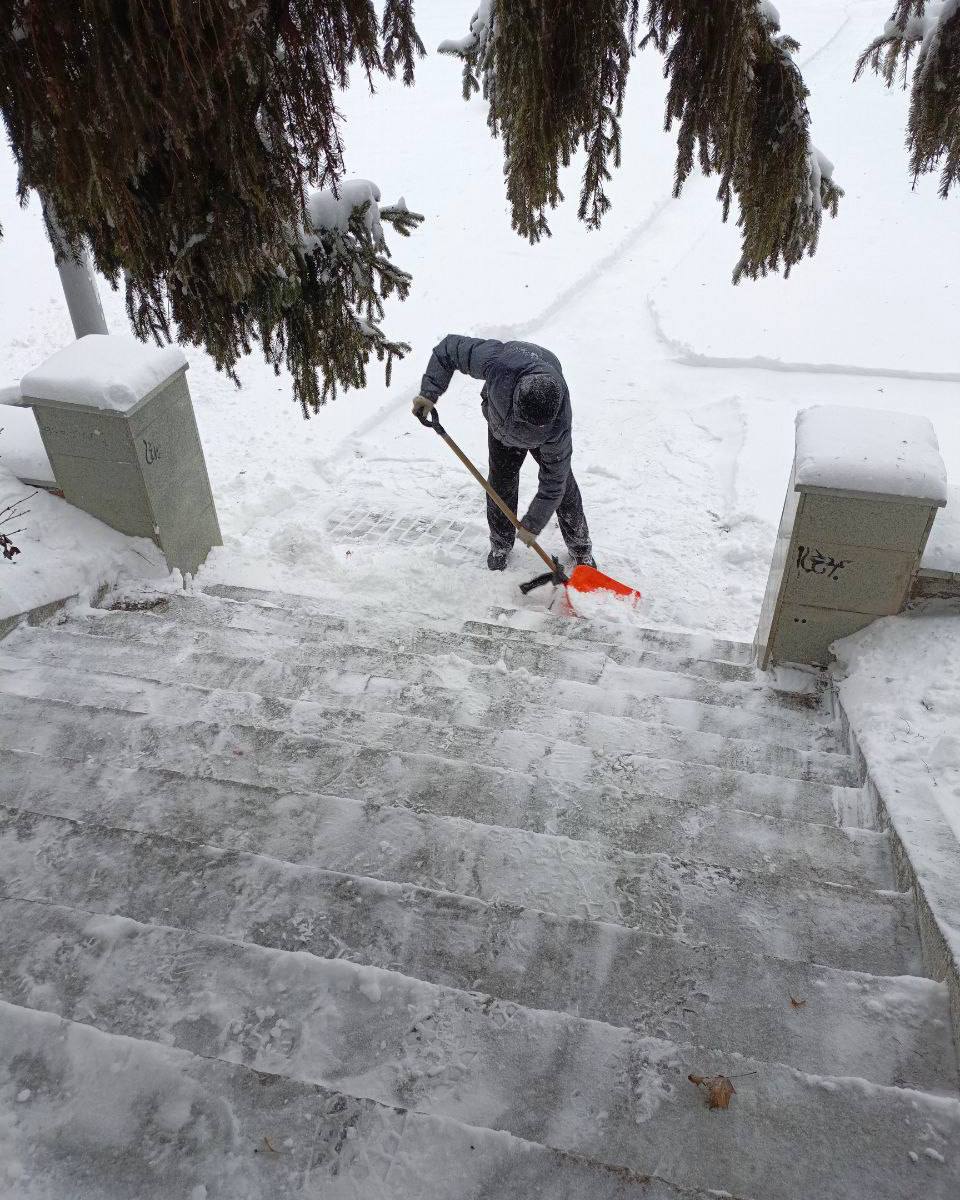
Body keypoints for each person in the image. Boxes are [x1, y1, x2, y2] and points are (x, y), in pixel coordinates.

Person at [413, 335, 596, 571]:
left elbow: (554, 482)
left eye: (535, 428)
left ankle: (581, 550)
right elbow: (448, 349)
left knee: (564, 488)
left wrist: (532, 524)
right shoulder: (501, 364)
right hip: (501, 428)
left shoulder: (558, 425)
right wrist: (429, 393)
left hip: (541, 429)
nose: (527, 433)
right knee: (500, 484)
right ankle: (500, 545)